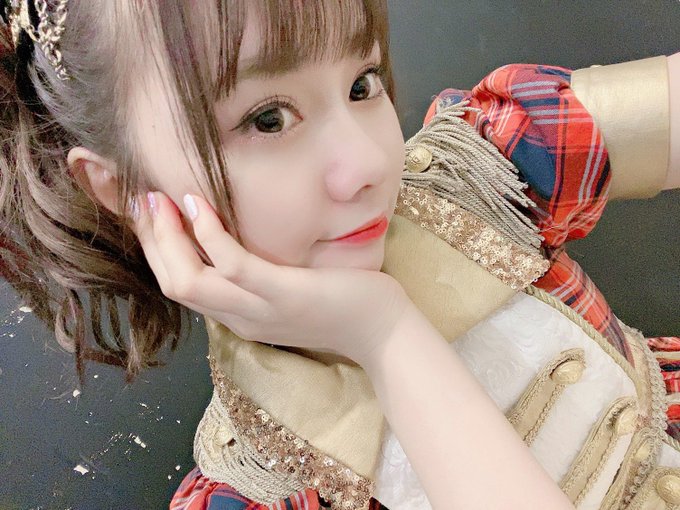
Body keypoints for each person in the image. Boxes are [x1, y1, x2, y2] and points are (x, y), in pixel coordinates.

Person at [0, 1, 678, 509]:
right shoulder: (257, 486)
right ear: (121, 188)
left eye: (362, 83)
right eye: (268, 119)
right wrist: (385, 335)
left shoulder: (483, 176)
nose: (367, 164)